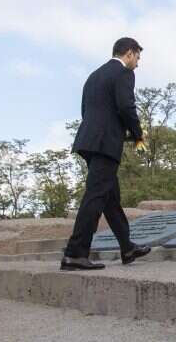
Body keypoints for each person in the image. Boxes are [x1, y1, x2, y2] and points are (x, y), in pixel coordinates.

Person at [61, 37, 150, 271]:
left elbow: (88, 112)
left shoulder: (94, 76)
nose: (138, 64)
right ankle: (75, 253)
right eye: (137, 58)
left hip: (89, 141)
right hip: (105, 145)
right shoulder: (124, 74)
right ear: (129, 53)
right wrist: (138, 134)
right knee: (95, 196)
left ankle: (126, 247)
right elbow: (125, 106)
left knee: (110, 198)